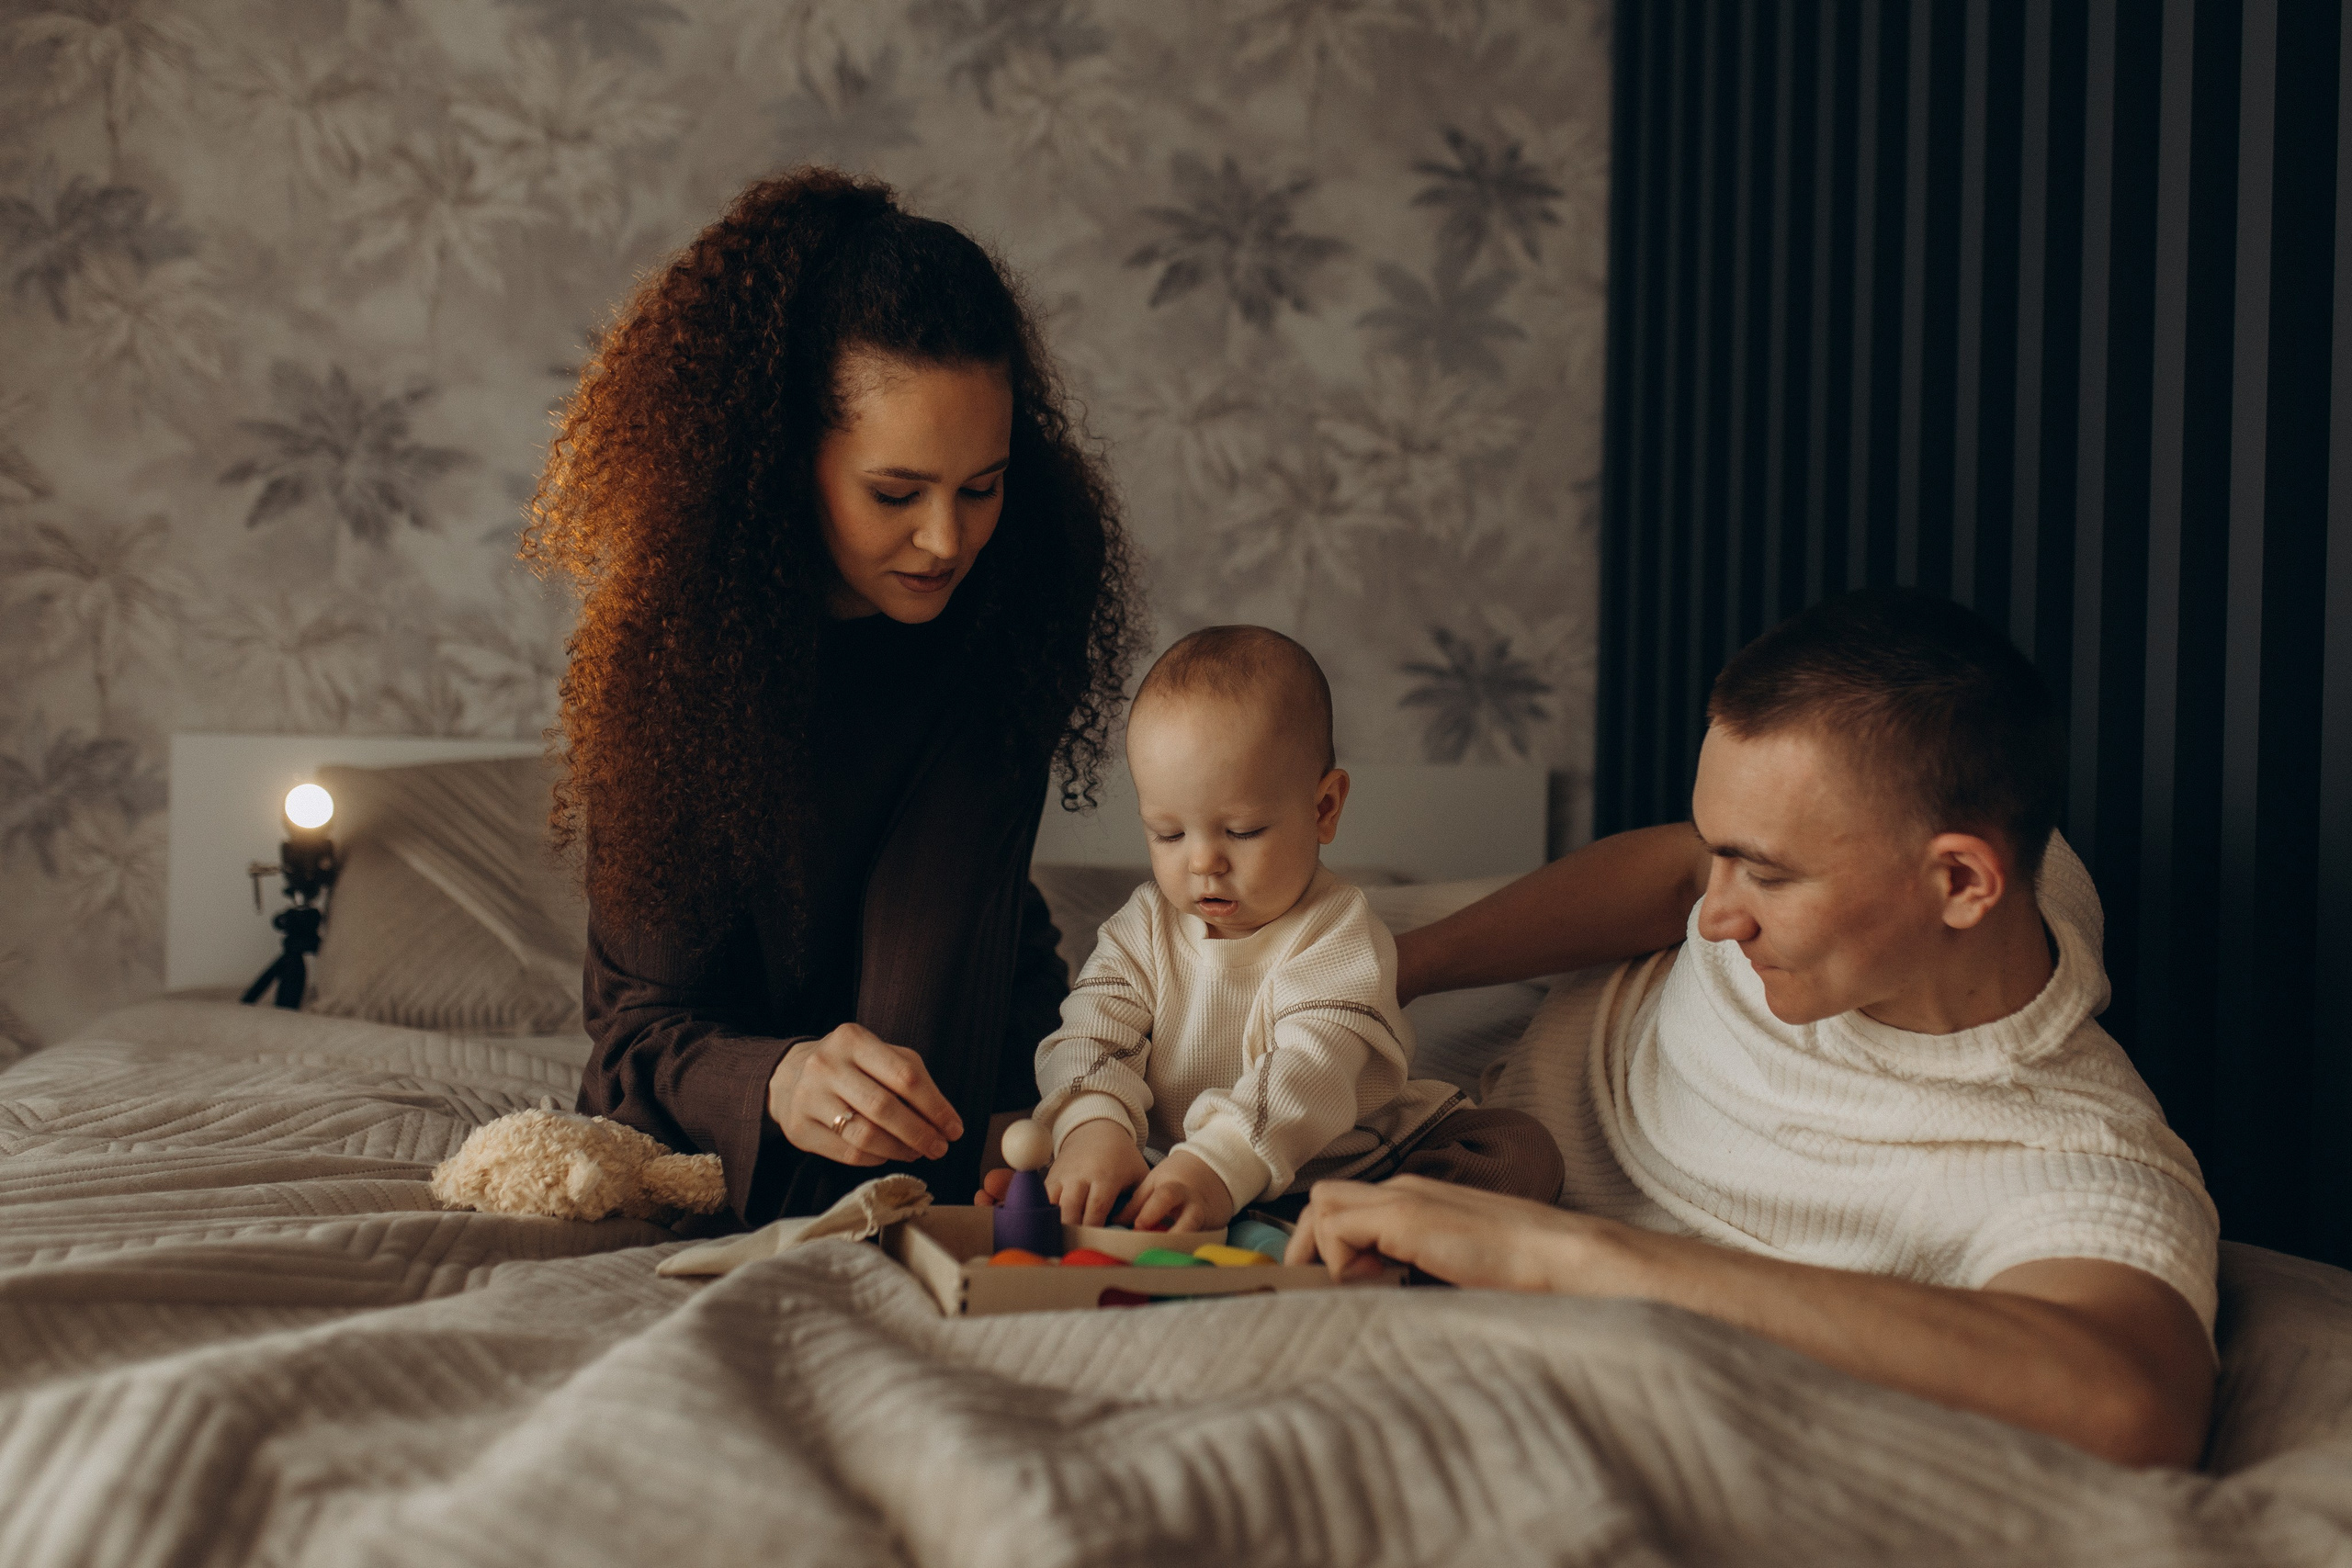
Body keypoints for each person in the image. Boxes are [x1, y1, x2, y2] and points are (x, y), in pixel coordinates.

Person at [1286, 589, 2221, 1469]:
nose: (1717, 916)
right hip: (1465, 1028)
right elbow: (1680, 877)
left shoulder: (2071, 1150)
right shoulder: (1997, 859)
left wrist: (1555, 1254)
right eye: (1719, 852)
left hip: (1479, 1188)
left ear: (1962, 885)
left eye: (1765, 875)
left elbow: (2127, 1401)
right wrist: (1388, 977)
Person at [524, 168, 1144, 1226]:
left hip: (961, 1044)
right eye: (895, 493)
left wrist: (1031, 1115)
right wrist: (777, 1080)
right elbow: (641, 1029)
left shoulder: (1017, 594)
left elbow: (933, 973)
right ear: (779, 462)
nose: (948, 540)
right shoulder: (674, 645)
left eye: (981, 488)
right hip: (717, 1081)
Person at [1022, 626, 1564, 1232]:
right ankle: (1211, 1219)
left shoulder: (1339, 932)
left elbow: (1310, 1069)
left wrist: (1219, 1163)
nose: (1203, 862)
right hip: (1178, 1165)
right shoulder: (1141, 928)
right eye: (1168, 834)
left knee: (1519, 1148)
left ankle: (1350, 1231)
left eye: (1243, 831)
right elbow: (1090, 1033)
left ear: (1323, 808)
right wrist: (1095, 1127)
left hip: (1350, 1162)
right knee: (1060, 1149)